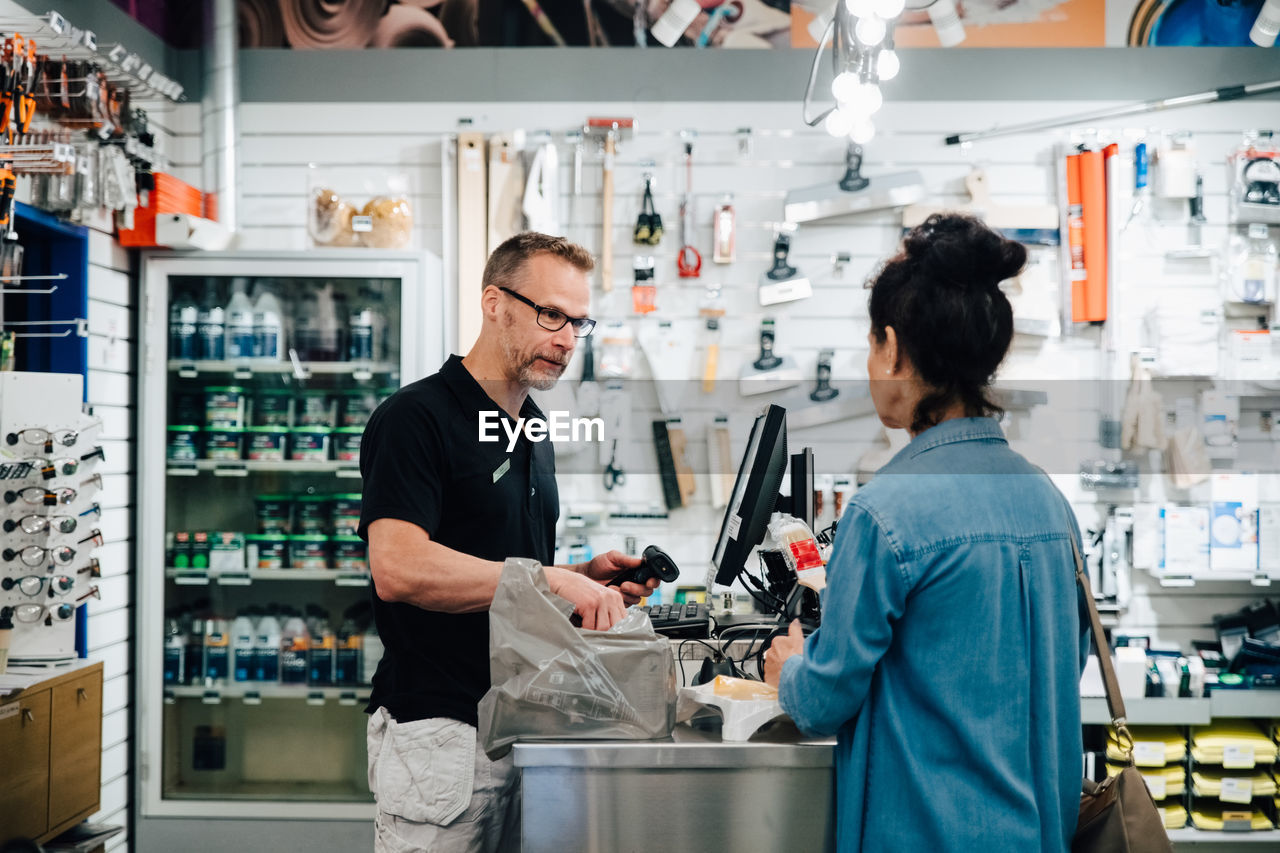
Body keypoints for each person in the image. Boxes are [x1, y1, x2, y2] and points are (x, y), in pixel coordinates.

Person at [764, 214, 1089, 852]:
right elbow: (1063, 664)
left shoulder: (886, 513)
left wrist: (790, 670)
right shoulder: (1050, 504)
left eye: (870, 344)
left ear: (893, 348)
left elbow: (826, 699)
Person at [358, 232, 660, 853]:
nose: (566, 339)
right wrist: (551, 579)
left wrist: (584, 574)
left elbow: (502, 571)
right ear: (493, 302)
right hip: (441, 738)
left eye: (579, 322)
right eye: (551, 314)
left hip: (522, 725)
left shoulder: (531, 426)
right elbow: (399, 567)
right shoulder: (416, 418)